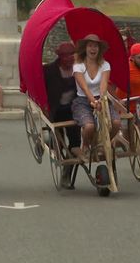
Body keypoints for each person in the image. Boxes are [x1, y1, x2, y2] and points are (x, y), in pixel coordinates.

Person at [71, 34, 121, 157]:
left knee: (116, 123)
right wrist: (93, 101)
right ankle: (86, 144)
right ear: (85, 48)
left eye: (96, 46)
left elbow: (103, 86)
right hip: (83, 100)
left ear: (99, 49)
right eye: (90, 46)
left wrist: (100, 100)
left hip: (102, 98)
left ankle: (104, 143)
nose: (93, 49)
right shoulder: (78, 65)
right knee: (89, 126)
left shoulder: (105, 65)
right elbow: (84, 87)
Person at [115, 42, 140, 181]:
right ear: (132, 58)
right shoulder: (124, 68)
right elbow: (110, 85)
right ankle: (115, 140)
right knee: (128, 141)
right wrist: (116, 102)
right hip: (125, 107)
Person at [43, 42, 81, 188]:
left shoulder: (78, 69)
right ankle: (50, 141)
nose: (71, 58)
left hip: (73, 110)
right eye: (67, 56)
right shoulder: (48, 70)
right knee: (58, 143)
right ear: (60, 57)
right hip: (55, 109)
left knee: (75, 145)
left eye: (73, 55)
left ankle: (67, 173)